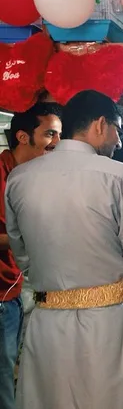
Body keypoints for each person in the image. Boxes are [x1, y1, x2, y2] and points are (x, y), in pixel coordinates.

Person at [5, 90, 123, 409]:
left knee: (49, 399)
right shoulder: (119, 176)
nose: (119, 142)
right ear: (101, 124)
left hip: (47, 321)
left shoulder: (19, 179)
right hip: (107, 322)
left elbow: (24, 257)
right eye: (118, 129)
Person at [0, 102, 62, 409]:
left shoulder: (26, 175)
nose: (56, 143)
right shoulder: (3, 174)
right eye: (50, 133)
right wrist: (32, 239)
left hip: (15, 287)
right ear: (23, 137)